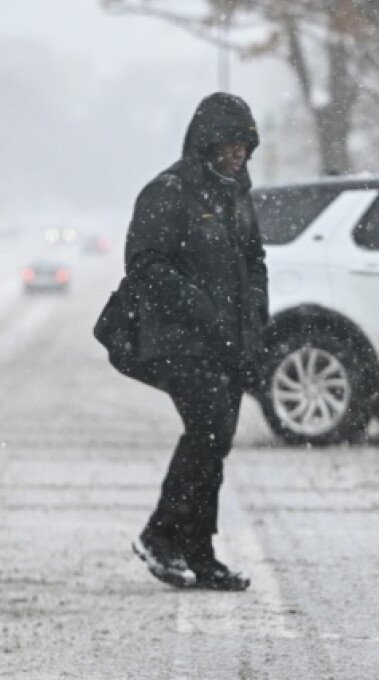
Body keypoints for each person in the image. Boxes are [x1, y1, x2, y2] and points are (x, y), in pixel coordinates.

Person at [126, 92, 269, 592]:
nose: (238, 154)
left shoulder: (236, 196)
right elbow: (144, 266)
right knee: (208, 431)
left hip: (228, 343)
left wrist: (256, 325)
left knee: (216, 441)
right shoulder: (168, 192)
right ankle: (160, 533)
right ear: (205, 142)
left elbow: (255, 262)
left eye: (244, 146)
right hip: (180, 341)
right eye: (229, 144)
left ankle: (198, 551)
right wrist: (199, 305)